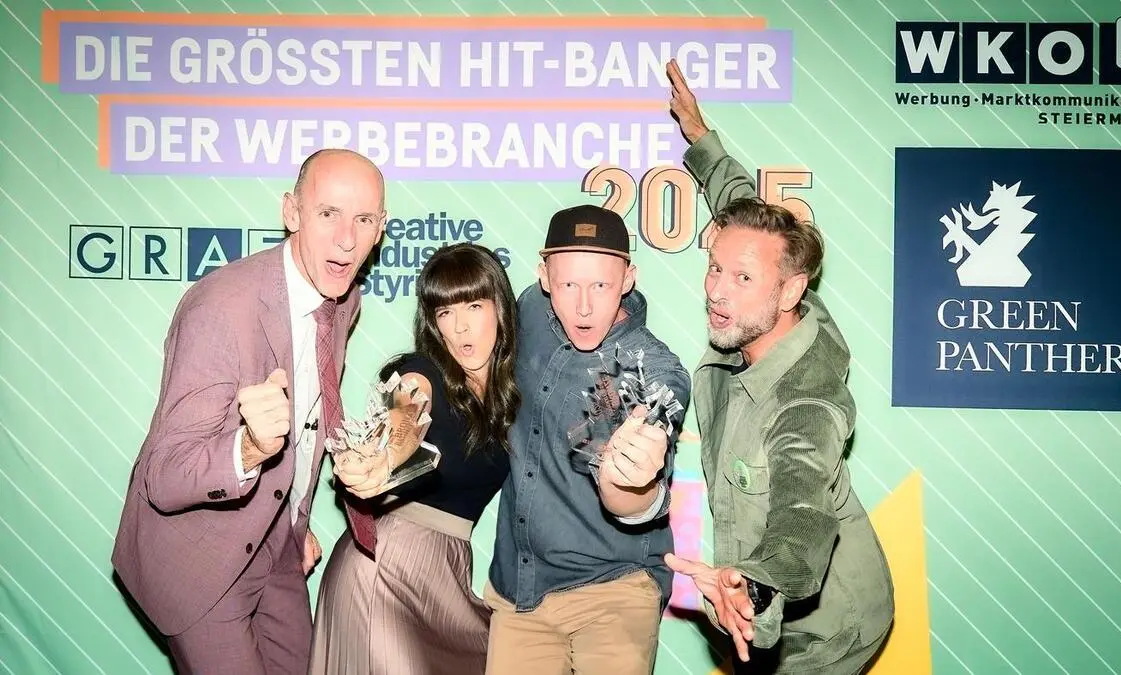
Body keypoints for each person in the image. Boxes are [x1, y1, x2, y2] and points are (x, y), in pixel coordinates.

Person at [110, 148, 387, 675]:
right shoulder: (221, 307)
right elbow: (164, 477)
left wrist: (297, 513)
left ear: (381, 229)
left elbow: (312, 406)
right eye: (329, 213)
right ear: (291, 212)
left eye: (364, 219)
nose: (347, 239)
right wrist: (250, 448)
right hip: (202, 556)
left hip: (277, 541)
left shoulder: (343, 300)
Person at [661, 59, 895, 674]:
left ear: (789, 291)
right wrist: (702, 139)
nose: (718, 290)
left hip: (821, 631)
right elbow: (743, 214)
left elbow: (801, 517)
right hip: (753, 603)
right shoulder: (773, 302)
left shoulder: (806, 404)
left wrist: (755, 585)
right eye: (715, 268)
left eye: (742, 279)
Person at [482, 204, 692, 674]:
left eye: (600, 284)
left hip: (613, 590)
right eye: (569, 283)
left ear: (628, 278)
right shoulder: (530, 313)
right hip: (521, 594)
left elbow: (663, 407)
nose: (582, 305)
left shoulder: (651, 367)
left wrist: (639, 470)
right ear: (543, 276)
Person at [308, 242, 520, 675]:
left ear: (500, 307)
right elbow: (407, 406)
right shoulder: (423, 369)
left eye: (473, 306)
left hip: (446, 576)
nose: (460, 328)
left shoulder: (511, 402)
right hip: (383, 572)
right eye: (445, 313)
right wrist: (387, 455)